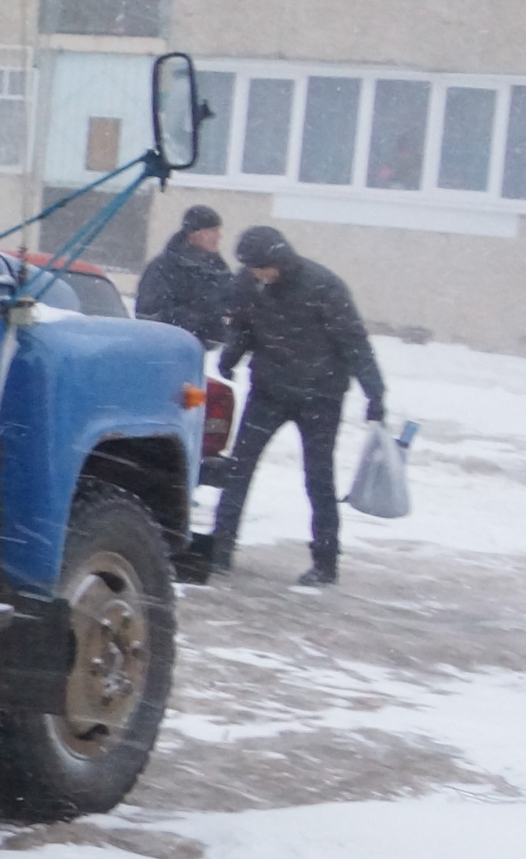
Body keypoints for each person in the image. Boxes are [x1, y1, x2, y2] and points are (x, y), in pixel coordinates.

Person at [190, 223, 386, 590]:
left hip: (320, 397)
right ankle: (220, 550)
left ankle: (325, 563)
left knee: (318, 478)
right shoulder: (251, 283)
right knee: (239, 470)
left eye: (259, 266)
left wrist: (375, 394)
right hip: (269, 391)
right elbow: (245, 326)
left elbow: (354, 342)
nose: (253, 273)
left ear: (277, 260)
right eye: (249, 267)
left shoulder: (323, 287)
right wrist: (230, 356)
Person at [133, 204, 235, 340]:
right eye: (213, 231)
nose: (219, 236)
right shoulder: (163, 267)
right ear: (194, 234)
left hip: (205, 348)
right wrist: (201, 315)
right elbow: (148, 314)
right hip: (170, 345)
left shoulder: (218, 267)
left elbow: (229, 300)